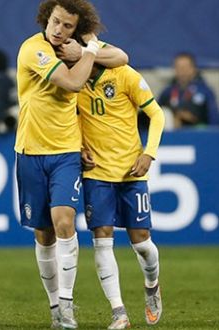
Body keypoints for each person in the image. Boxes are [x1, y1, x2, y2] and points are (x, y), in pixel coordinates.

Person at [14, 0, 128, 328]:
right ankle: (54, 307)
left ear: (75, 30)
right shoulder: (32, 49)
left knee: (64, 222)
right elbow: (73, 82)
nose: (59, 30)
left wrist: (86, 49)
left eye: (67, 26)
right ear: (45, 19)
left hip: (67, 152)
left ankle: (66, 307)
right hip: (31, 151)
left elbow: (122, 57)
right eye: (56, 22)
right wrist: (89, 54)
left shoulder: (76, 47)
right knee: (44, 234)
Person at [75, 61, 165, 329]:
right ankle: (119, 312)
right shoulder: (72, 82)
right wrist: (80, 148)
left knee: (142, 244)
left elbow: (157, 114)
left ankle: (152, 285)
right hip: (97, 174)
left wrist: (148, 153)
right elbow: (70, 121)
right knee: (102, 239)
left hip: (131, 172)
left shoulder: (124, 74)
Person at [157, 52, 219, 128]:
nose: (182, 70)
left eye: (186, 67)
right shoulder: (167, 92)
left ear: (193, 68)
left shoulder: (205, 91)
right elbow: (154, 114)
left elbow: (214, 121)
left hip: (198, 136)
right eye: (179, 67)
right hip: (171, 136)